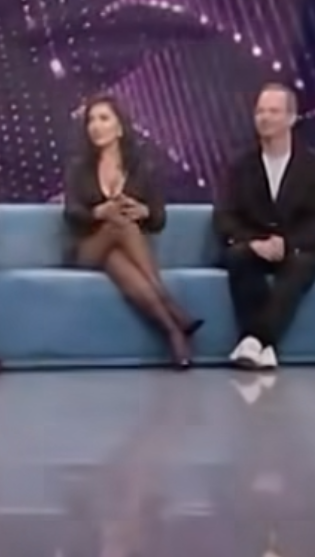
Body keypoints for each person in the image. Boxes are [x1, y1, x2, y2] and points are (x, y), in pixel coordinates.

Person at [63, 94, 201, 369]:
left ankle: (173, 333)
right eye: (91, 120)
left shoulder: (141, 169)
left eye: (104, 119)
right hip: (87, 249)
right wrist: (98, 212)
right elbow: (70, 213)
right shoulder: (79, 168)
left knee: (122, 266)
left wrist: (144, 211)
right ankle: (169, 303)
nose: (96, 126)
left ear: (120, 127)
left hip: (117, 253)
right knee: (120, 223)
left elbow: (159, 219)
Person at [214, 82, 315, 370]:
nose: (265, 118)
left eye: (273, 111)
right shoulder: (240, 165)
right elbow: (225, 216)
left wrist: (287, 243)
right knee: (239, 257)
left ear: (291, 118)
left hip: (299, 248)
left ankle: (255, 340)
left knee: (299, 265)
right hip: (254, 244)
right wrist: (254, 242)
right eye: (260, 111)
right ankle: (265, 348)